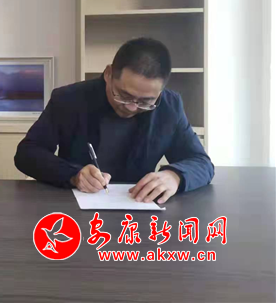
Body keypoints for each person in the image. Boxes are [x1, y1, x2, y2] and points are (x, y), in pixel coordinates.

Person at [14, 38, 213, 204]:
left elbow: (202, 163)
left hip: (138, 208)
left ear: (160, 91)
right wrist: (73, 174)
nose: (132, 107)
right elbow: (27, 153)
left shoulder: (169, 106)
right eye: (124, 96)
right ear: (108, 74)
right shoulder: (69, 99)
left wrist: (175, 176)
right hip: (75, 207)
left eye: (146, 101)